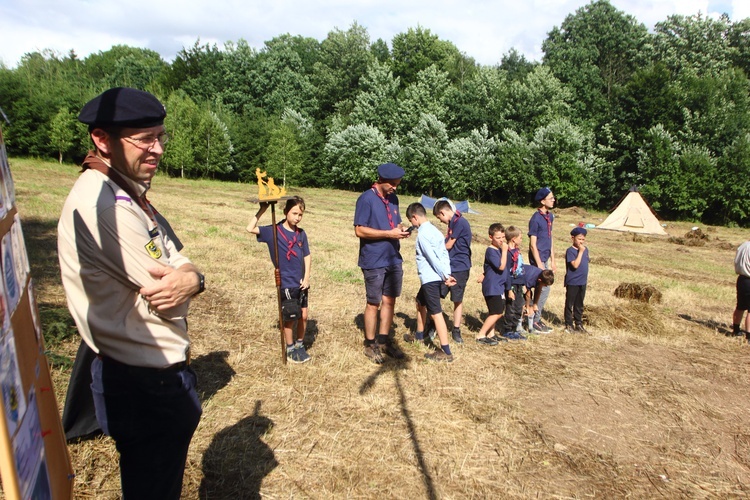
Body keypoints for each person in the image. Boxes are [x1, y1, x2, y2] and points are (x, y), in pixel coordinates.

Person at [57, 87, 204, 499]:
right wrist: (189, 281)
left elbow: (179, 259)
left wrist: (192, 277)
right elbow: (171, 304)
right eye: (144, 140)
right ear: (102, 140)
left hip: (148, 378)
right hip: (145, 383)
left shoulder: (123, 192)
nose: (157, 149)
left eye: (161, 137)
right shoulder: (109, 207)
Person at [354, 163, 410, 364]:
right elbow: (360, 230)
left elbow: (395, 223)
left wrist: (400, 229)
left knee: (390, 300)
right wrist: (389, 233)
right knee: (373, 302)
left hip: (393, 258)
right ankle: (370, 344)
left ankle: (384, 341)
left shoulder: (394, 198)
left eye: (398, 184)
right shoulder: (366, 199)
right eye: (393, 184)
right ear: (381, 180)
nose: (395, 187)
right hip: (374, 259)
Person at [247, 197, 312, 363]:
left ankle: (299, 345)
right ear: (285, 212)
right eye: (294, 213)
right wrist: (263, 210)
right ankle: (290, 348)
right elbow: (250, 228)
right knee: (290, 316)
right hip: (286, 282)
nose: (297, 217)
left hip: (300, 283)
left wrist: (307, 277)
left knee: (303, 316)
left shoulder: (301, 234)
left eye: (300, 214)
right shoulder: (273, 231)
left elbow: (307, 255)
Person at [404, 203, 457, 362]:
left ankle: (446, 351)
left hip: (431, 279)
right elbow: (444, 254)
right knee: (420, 302)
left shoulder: (423, 234)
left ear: (415, 217)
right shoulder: (436, 231)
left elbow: (432, 257)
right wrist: (447, 273)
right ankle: (419, 335)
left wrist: (445, 276)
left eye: (410, 220)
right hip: (434, 278)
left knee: (436, 313)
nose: (411, 224)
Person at [433, 199, 471, 344]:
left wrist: (432, 248)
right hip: (448, 266)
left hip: (460, 267)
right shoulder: (453, 222)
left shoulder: (460, 222)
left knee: (457, 299)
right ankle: (433, 325)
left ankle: (456, 329)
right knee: (435, 295)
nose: (441, 221)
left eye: (439, 217)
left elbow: (448, 245)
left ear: (443, 212)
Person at [528, 187, 557, 333]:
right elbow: (533, 245)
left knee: (544, 289)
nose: (553, 200)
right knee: (543, 289)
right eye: (551, 198)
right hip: (537, 259)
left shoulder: (550, 217)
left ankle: (534, 318)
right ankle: (534, 319)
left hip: (546, 258)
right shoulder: (535, 218)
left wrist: (553, 260)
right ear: (542, 201)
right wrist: (539, 264)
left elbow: (550, 239)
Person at [476, 223, 509, 345]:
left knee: (495, 310)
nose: (501, 240)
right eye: (498, 238)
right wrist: (505, 251)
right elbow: (501, 266)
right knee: (497, 312)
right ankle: (481, 335)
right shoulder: (491, 251)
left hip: (499, 286)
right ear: (491, 237)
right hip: (492, 286)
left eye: (502, 237)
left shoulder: (498, 250)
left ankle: (491, 334)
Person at [500, 226, 527, 341]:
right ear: (513, 239)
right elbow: (507, 271)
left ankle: (515, 328)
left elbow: (520, 268)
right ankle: (507, 330)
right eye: (520, 238)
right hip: (512, 284)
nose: (522, 240)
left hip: (519, 283)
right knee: (511, 308)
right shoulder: (508, 254)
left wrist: (524, 284)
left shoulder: (517, 252)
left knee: (519, 306)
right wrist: (509, 289)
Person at [564, 227, 590, 334]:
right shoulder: (570, 251)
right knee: (570, 303)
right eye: (579, 239)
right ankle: (569, 324)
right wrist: (580, 253)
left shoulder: (585, 249)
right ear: (573, 238)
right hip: (573, 281)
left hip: (582, 281)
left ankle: (578, 323)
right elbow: (575, 265)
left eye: (583, 239)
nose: (581, 242)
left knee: (579, 304)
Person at [522, 267, 556, 333]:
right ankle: (519, 325)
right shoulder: (530, 278)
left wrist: (535, 304)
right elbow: (527, 293)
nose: (546, 286)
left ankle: (529, 324)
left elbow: (538, 289)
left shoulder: (542, 275)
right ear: (540, 280)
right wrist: (528, 307)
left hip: (526, 285)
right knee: (521, 304)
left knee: (531, 306)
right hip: (516, 282)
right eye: (545, 285)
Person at [732, 240, 750, 341]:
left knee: (740, 306)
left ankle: (736, 330)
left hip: (741, 279)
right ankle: (749, 336)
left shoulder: (743, 245)